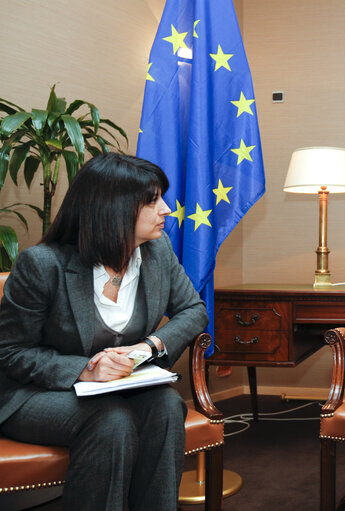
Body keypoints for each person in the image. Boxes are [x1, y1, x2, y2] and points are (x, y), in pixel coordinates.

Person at [0, 153, 208, 510]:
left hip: (116, 390)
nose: (167, 209)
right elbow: (11, 352)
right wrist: (83, 369)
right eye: (153, 200)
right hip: (31, 394)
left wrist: (143, 350)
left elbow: (193, 311)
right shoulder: (42, 264)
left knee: (166, 406)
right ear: (114, 208)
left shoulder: (158, 252)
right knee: (111, 420)